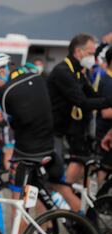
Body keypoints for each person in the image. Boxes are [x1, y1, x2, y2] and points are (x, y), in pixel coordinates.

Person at [0, 53, 80, 212]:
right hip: (49, 146)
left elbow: (14, 124)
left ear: (2, 71)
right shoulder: (38, 78)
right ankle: (86, 225)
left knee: (19, 204)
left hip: (25, 154)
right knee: (57, 190)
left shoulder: (5, 92)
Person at [47, 33, 112, 185]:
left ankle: (75, 197)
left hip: (71, 130)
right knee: (57, 174)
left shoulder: (78, 71)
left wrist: (106, 101)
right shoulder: (63, 71)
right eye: (90, 53)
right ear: (78, 52)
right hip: (54, 130)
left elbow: (93, 95)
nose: (93, 58)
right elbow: (82, 102)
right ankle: (62, 197)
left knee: (84, 164)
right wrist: (109, 101)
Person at [96, 47, 112, 181]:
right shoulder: (108, 82)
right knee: (104, 168)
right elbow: (106, 112)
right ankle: (99, 200)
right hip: (105, 134)